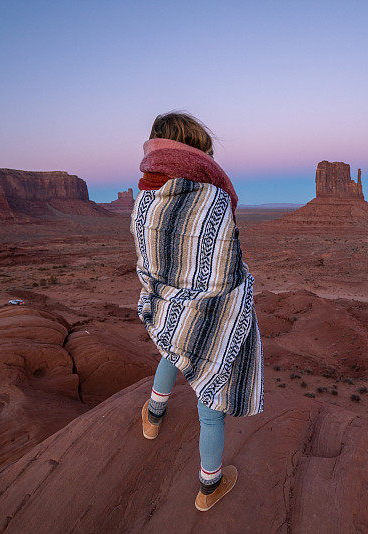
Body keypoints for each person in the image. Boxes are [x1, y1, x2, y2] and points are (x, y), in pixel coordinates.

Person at [129, 112, 264, 512]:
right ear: (196, 152)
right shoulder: (214, 199)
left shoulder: (143, 201)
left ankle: (153, 417)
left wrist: (172, 294)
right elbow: (228, 264)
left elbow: (148, 258)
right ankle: (210, 487)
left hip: (167, 302)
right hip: (212, 311)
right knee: (210, 390)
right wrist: (230, 298)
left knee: (173, 348)